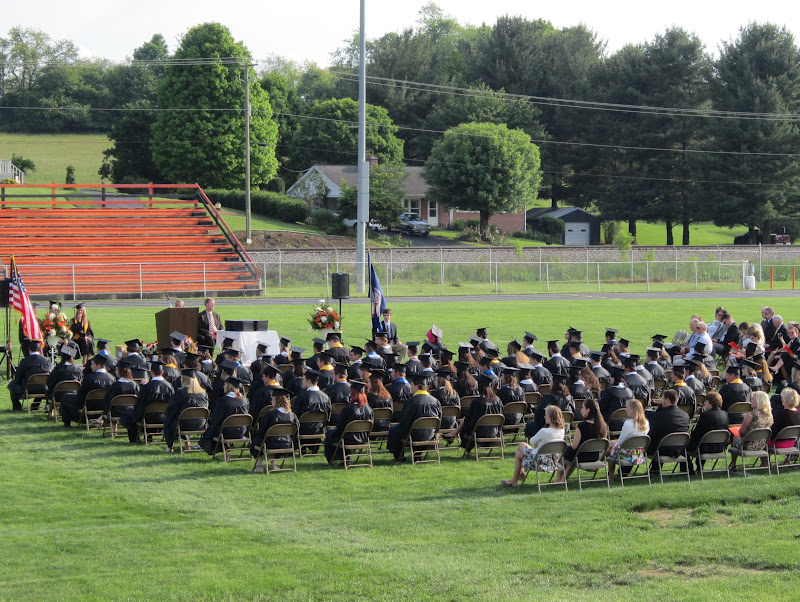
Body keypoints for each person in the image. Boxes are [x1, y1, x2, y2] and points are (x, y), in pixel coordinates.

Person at [502, 405, 566, 487]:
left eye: (546, 414)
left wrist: (537, 443)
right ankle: (517, 477)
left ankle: (515, 480)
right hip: (553, 462)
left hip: (539, 462)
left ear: (550, 416)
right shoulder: (562, 431)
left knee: (520, 449)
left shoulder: (544, 431)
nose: (544, 416)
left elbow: (532, 441)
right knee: (521, 449)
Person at [387, 372, 442, 461]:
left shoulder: (411, 402)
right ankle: (417, 454)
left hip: (414, 435)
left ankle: (399, 456)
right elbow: (439, 420)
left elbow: (405, 422)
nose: (410, 387)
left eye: (411, 384)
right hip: (431, 434)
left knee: (394, 430)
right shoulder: (435, 401)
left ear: (417, 386)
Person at [119, 360, 174, 443]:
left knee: (128, 414)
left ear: (151, 373)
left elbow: (139, 405)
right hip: (164, 418)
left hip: (148, 418)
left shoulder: (147, 387)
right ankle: (148, 437)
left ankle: (135, 439)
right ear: (162, 372)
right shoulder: (170, 387)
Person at [556, 399, 608, 483]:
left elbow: (574, 446)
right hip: (594, 456)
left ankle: (559, 479)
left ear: (588, 410)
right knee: (572, 454)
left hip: (581, 457)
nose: (581, 410)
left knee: (567, 451)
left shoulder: (582, 426)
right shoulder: (603, 426)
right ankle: (563, 479)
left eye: (583, 407)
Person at [251, 386, 299, 472]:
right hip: (286, 443)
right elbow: (296, 430)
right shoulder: (293, 416)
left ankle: (259, 466)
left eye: (273, 399)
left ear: (277, 401)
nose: (271, 401)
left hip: (270, 444)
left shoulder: (271, 415)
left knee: (257, 440)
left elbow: (262, 430)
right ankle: (273, 464)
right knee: (270, 439)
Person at [324, 381, 374, 464]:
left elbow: (340, 427)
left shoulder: (348, 409)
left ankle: (333, 460)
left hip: (347, 439)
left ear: (352, 393)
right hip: (363, 438)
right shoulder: (369, 409)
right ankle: (345, 459)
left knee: (330, 434)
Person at [60, 354, 115, 427]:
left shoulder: (90, 378)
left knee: (66, 397)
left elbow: (81, 396)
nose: (90, 366)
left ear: (98, 365)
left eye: (92, 364)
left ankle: (67, 423)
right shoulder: (112, 378)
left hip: (89, 407)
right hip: (104, 408)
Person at [199, 376, 249, 455]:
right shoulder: (244, 401)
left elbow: (215, 419)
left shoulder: (223, 401)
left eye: (225, 384)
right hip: (241, 431)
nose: (223, 386)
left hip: (226, 432)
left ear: (229, 386)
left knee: (213, 428)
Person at [163, 369, 209, 452]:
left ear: (183, 379)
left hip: (184, 424)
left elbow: (172, 409)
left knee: (171, 420)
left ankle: (170, 447)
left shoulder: (181, 393)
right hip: (200, 423)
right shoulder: (204, 394)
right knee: (182, 417)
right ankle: (187, 444)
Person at [645, 389, 690, 468]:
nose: (661, 401)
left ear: (667, 400)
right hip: (680, 448)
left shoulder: (661, 416)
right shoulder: (685, 415)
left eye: (662, 399)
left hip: (662, 449)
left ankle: (655, 470)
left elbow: (653, 433)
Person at [729, 391, 773, 470]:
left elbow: (741, 432)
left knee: (734, 436)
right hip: (762, 445)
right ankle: (765, 462)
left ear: (759, 401)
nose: (750, 401)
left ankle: (733, 464)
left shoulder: (750, 415)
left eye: (753, 399)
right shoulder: (769, 415)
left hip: (747, 445)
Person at [525, 368, 575, 439]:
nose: (549, 384)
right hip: (565, 427)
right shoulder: (570, 398)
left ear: (554, 384)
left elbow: (539, 415)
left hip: (548, 427)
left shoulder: (549, 398)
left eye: (551, 382)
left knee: (529, 426)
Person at [606, 399, 650, 478]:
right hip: (638, 453)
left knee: (609, 446)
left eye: (627, 408)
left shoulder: (628, 424)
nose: (626, 410)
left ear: (633, 409)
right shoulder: (646, 423)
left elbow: (620, 441)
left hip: (627, 454)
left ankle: (609, 474)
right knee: (610, 444)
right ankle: (601, 464)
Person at [291, 369, 332, 454]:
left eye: (303, 379)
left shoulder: (302, 397)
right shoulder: (326, 397)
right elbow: (328, 417)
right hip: (318, 429)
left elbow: (294, 416)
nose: (301, 381)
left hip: (303, 430)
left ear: (309, 380)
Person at [687, 391, 729, 473]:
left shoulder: (706, 415)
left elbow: (698, 432)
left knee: (684, 445)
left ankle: (689, 468)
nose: (704, 404)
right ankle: (699, 466)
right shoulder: (725, 414)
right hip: (720, 446)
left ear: (710, 402)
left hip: (705, 447)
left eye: (705, 401)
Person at [8, 339, 51, 411]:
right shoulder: (47, 361)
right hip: (44, 388)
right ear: (40, 349)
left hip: (28, 388)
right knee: (41, 384)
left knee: (12, 384)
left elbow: (18, 376)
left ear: (29, 349)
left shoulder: (25, 361)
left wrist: (18, 382)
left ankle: (17, 407)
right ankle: (35, 405)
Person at [99, 358, 140, 434]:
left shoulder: (115, 385)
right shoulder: (135, 385)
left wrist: (105, 412)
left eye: (116, 370)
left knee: (111, 406)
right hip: (131, 411)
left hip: (117, 412)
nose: (115, 371)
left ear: (120, 372)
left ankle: (114, 430)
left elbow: (108, 400)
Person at [45, 343, 83, 418]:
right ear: (71, 357)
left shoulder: (58, 368)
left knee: (52, 390)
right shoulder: (77, 369)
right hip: (74, 394)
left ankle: (51, 410)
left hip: (58, 395)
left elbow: (49, 382)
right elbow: (81, 381)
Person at [768, 388, 800, 453]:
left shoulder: (781, 415)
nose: (781, 399)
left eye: (782, 397)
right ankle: (786, 460)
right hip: (792, 442)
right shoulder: (798, 413)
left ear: (785, 400)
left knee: (761, 441)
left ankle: (766, 462)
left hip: (777, 444)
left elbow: (773, 433)